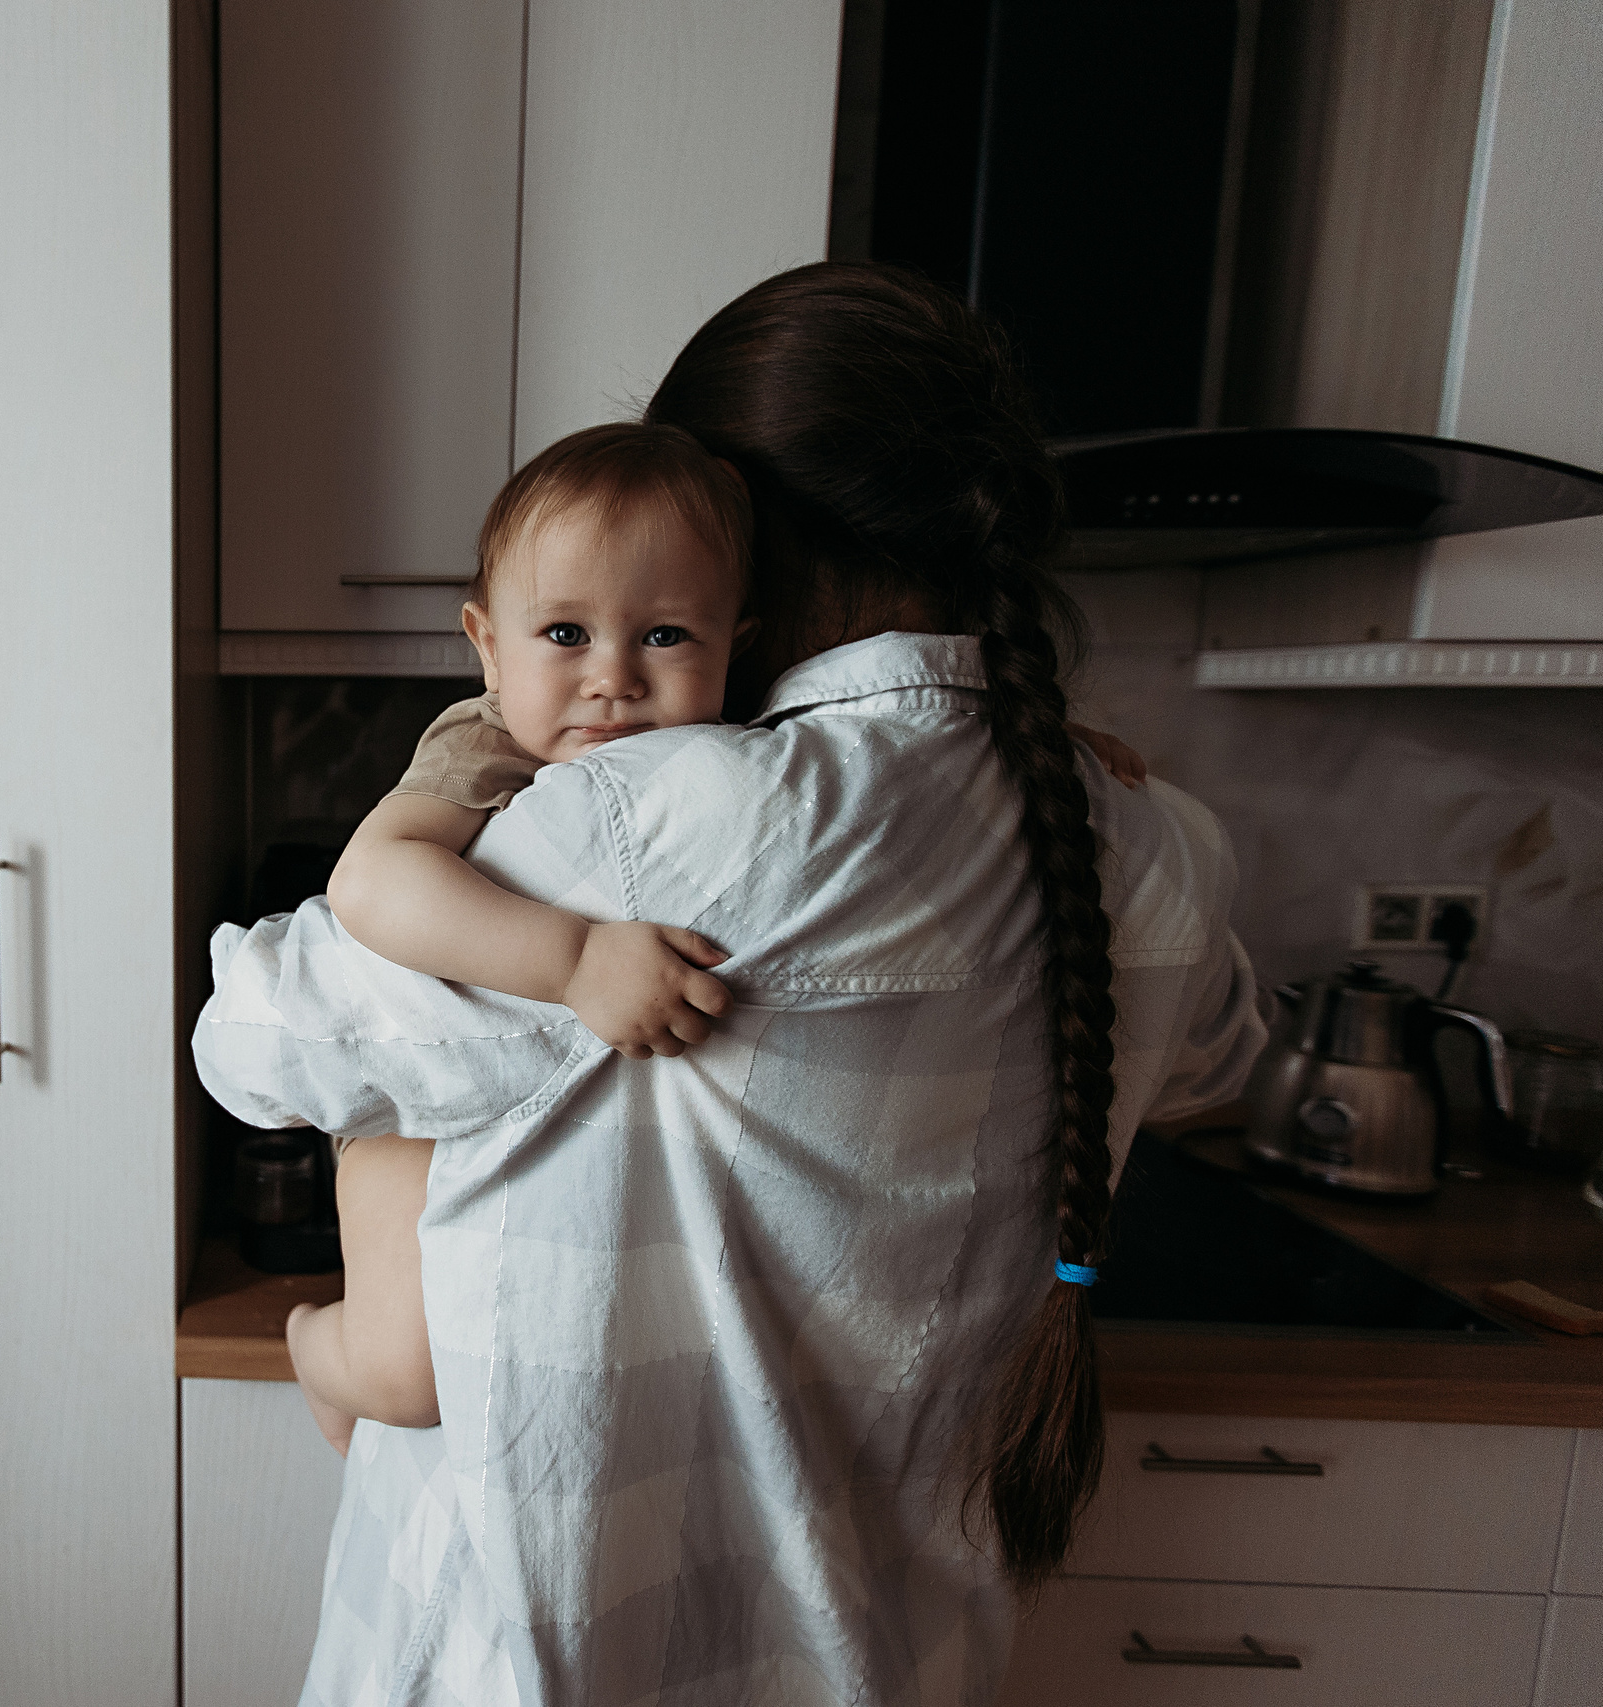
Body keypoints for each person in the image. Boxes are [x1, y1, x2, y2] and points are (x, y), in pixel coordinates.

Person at [193, 261, 1264, 1705]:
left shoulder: (656, 815)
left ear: (737, 538)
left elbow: (259, 1042)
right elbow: (1219, 1063)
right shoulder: (1152, 838)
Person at [297, 425, 1150, 1458]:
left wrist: (1045, 736)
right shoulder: (481, 742)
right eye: (564, 633)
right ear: (486, 642)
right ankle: (312, 1348)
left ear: (735, 641)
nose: (613, 676)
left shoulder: (729, 739)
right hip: (414, 1115)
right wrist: (575, 960)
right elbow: (371, 882)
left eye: (664, 635)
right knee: (403, 1376)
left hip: (540, 1131)